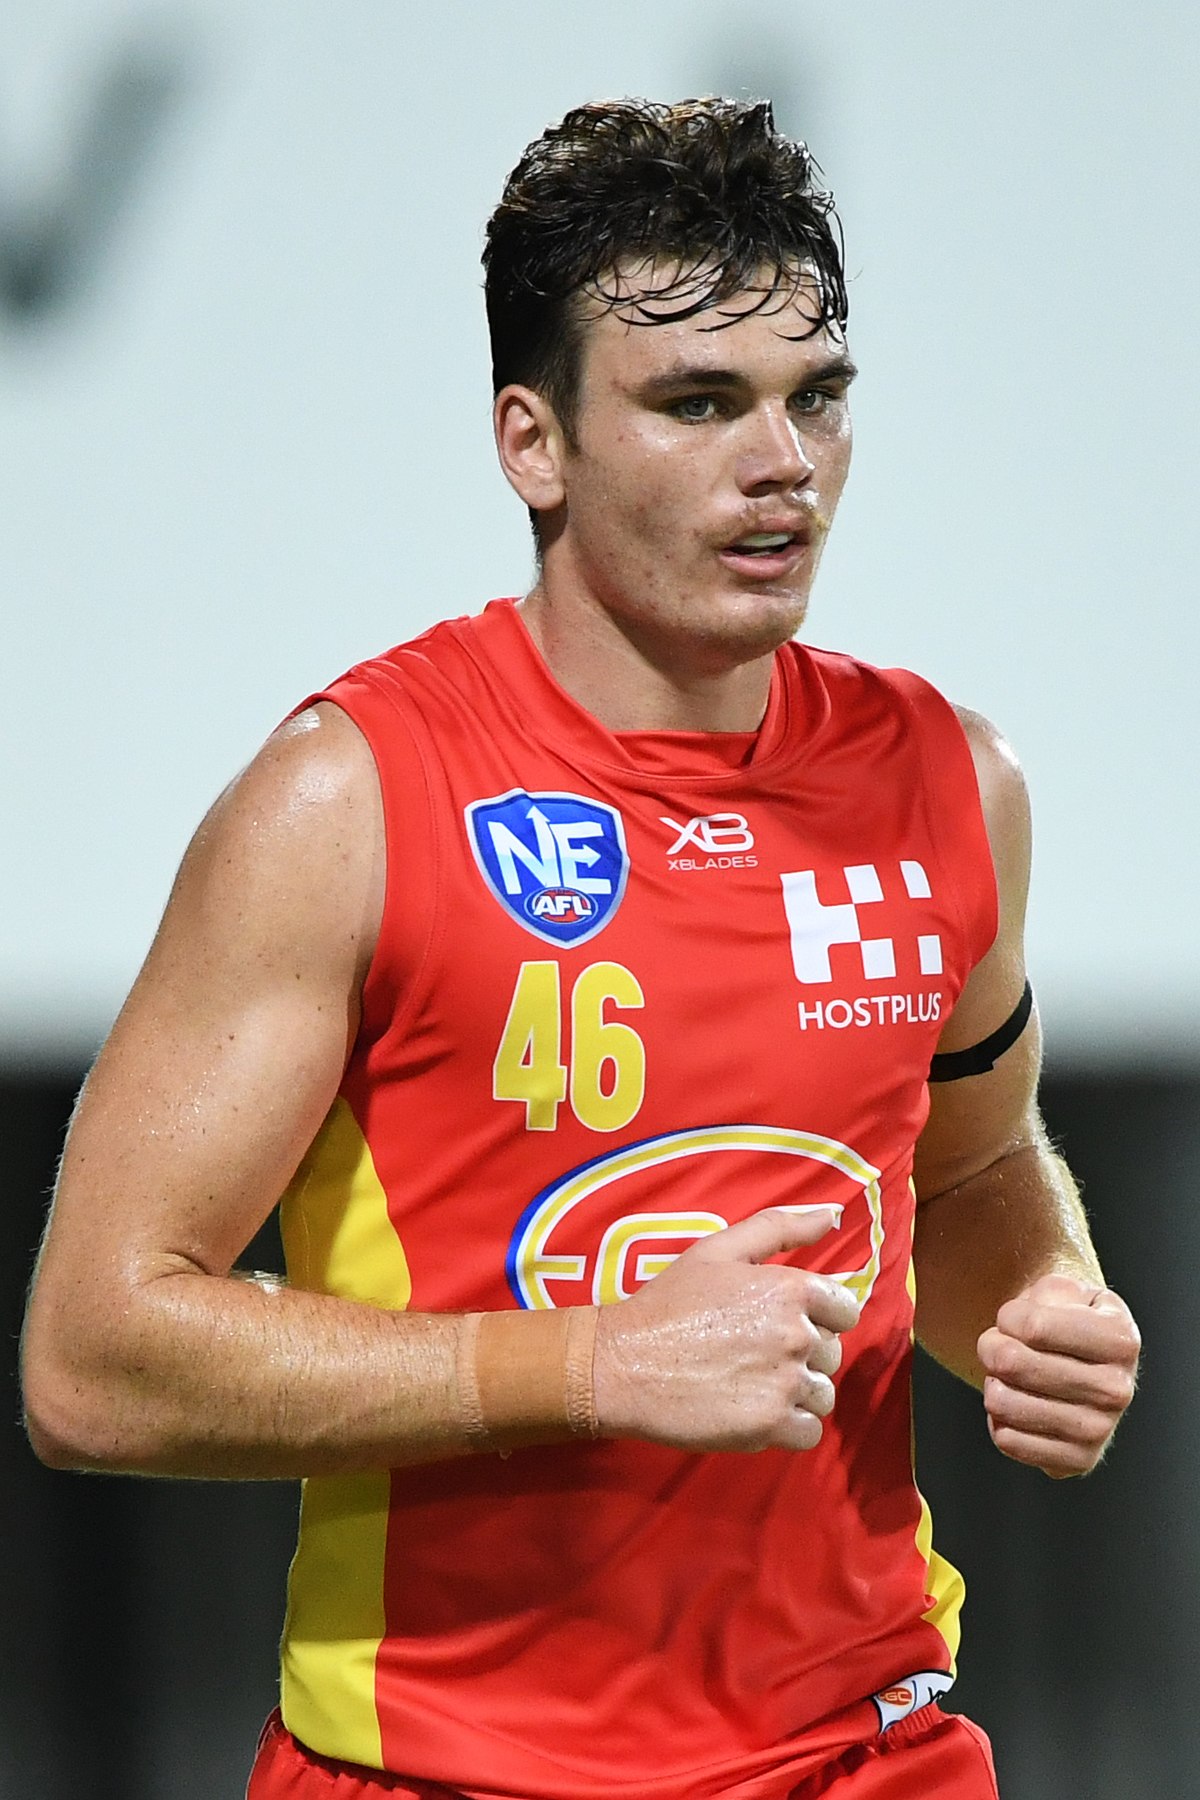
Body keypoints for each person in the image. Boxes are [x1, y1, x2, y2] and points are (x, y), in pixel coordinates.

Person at [22, 98, 1140, 1800]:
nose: (786, 466)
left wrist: (1043, 1304)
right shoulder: (352, 800)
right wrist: (595, 1366)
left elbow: (973, 1174)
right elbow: (91, 1362)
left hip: (868, 1754)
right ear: (531, 443)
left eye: (816, 399)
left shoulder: (952, 786)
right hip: (445, 1774)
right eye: (700, 405)